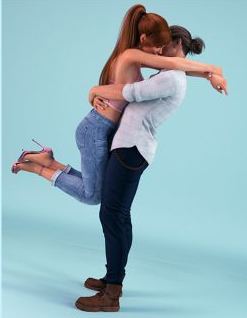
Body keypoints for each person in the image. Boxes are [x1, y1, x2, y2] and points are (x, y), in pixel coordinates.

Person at [74, 24, 227, 312]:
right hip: (130, 148)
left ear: (177, 46)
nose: (157, 51)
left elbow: (131, 92)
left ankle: (112, 293)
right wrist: (212, 74)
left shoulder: (171, 79)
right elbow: (186, 68)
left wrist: (94, 89)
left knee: (112, 214)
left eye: (164, 45)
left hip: (131, 148)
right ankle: (112, 278)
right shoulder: (173, 74)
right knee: (119, 215)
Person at [12, 5, 226, 207]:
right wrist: (215, 69)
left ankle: (48, 160)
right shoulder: (132, 55)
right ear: (143, 38)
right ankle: (36, 168)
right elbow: (178, 64)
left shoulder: (135, 55)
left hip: (103, 129)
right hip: (95, 128)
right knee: (92, 196)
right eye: (158, 46)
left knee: (97, 187)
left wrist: (210, 77)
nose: (159, 52)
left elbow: (179, 70)